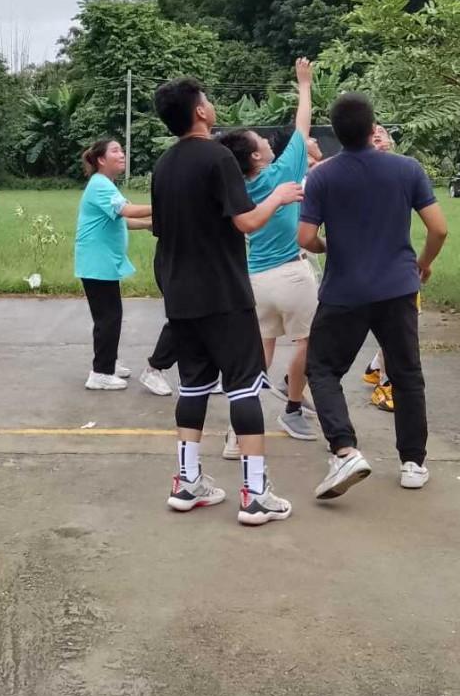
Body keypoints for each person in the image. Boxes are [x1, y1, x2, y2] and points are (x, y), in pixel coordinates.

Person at [150, 76, 303, 526]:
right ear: (200, 111)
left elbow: (162, 227)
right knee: (244, 386)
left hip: (180, 295)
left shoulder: (163, 165)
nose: (211, 104)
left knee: (193, 386)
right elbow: (246, 221)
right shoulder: (218, 157)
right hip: (223, 293)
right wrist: (279, 196)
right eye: (207, 99)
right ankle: (255, 494)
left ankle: (186, 481)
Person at [298, 92, 447, 502]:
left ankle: (345, 449)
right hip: (398, 288)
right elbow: (439, 229)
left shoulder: (324, 176)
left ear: (335, 133)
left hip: (344, 291)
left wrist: (329, 245)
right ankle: (413, 463)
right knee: (406, 373)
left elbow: (305, 237)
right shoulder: (407, 168)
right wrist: (423, 263)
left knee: (323, 369)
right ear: (372, 127)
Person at [215, 58, 319, 446]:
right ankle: (292, 408)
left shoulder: (238, 189)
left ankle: (235, 432)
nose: (266, 141)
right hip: (292, 274)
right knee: (307, 343)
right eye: (260, 140)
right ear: (256, 158)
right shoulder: (281, 174)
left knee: (259, 354)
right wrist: (304, 84)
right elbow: (302, 126)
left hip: (255, 279)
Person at [74, 139, 171, 395]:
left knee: (108, 316)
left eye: (122, 150)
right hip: (96, 262)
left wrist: (149, 224)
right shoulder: (100, 184)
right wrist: (165, 206)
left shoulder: (105, 184)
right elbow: (126, 210)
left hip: (102, 262)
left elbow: (121, 220)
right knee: (108, 317)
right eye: (115, 151)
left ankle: (108, 362)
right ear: (101, 160)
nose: (122, 154)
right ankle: (100, 373)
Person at [362, 123, 397, 414]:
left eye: (382, 132)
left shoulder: (403, 171)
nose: (377, 134)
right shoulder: (355, 172)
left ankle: (376, 367)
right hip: (364, 263)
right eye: (372, 133)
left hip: (394, 260)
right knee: (393, 328)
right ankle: (385, 383)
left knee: (398, 327)